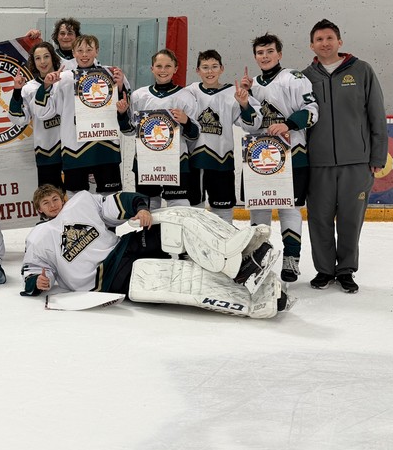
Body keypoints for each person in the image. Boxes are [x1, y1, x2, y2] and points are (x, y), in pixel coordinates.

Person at [20, 185, 275, 303]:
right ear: (39, 210)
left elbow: (116, 203)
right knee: (178, 273)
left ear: (63, 198)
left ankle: (240, 259)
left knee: (174, 227)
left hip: (123, 248)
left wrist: (141, 208)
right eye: (46, 203)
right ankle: (239, 287)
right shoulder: (38, 237)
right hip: (105, 279)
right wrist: (37, 283)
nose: (52, 205)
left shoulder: (80, 202)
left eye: (55, 199)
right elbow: (34, 268)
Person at [302, 19, 387, 294]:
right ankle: (325, 270)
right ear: (311, 45)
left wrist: (377, 156)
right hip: (318, 164)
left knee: (351, 220)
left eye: (329, 38)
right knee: (319, 219)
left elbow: (377, 116)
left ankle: (346, 270)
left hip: (356, 163)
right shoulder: (303, 78)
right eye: (319, 39)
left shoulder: (362, 71)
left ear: (339, 41)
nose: (325, 43)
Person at [242, 32, 319, 284]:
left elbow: (312, 111)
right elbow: (250, 125)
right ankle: (258, 259)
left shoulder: (294, 78)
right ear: (255, 57)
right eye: (260, 53)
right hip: (259, 157)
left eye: (270, 51)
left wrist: (288, 124)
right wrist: (244, 101)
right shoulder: (251, 85)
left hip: (292, 153)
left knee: (290, 208)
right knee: (259, 208)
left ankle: (291, 259)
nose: (265, 56)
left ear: (279, 54)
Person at [33, 35, 128, 195]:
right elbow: (43, 113)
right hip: (74, 148)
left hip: (105, 145)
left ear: (97, 51)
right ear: (73, 53)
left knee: (111, 197)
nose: (84, 54)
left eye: (89, 50)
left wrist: (119, 87)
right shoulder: (63, 78)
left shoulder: (112, 74)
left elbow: (124, 108)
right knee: (77, 198)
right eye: (80, 50)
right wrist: (46, 86)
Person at [187, 50, 261, 222]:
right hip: (194, 163)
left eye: (214, 66)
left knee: (223, 213)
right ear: (197, 70)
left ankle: (222, 241)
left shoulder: (233, 93)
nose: (210, 71)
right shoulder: (189, 92)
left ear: (222, 69)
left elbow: (253, 125)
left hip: (222, 162)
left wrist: (244, 104)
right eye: (205, 67)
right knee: (193, 212)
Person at [123, 48, 201, 209]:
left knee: (179, 206)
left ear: (175, 69)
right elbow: (129, 131)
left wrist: (186, 121)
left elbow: (195, 135)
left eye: (168, 66)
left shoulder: (185, 96)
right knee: (148, 206)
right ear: (152, 68)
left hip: (177, 160)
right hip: (146, 160)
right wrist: (122, 115)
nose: (163, 70)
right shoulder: (139, 96)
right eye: (159, 66)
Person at [8, 41, 63, 190]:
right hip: (47, 151)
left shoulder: (66, 81)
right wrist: (17, 90)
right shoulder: (29, 88)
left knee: (76, 196)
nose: (42, 62)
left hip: (72, 150)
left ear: (53, 58)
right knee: (49, 198)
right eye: (38, 58)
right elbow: (19, 118)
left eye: (46, 56)